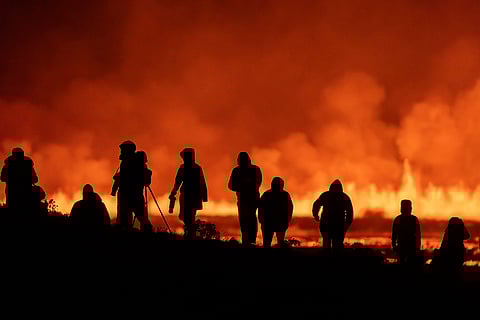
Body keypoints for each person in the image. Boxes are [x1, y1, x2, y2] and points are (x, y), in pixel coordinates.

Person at [169, 148, 208, 240]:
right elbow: (202, 183)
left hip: (188, 196)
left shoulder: (184, 168)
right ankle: (190, 234)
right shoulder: (197, 168)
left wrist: (173, 192)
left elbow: (177, 182)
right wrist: (204, 197)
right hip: (194, 196)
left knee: (186, 216)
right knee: (189, 216)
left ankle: (189, 235)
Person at [228, 152, 262, 247]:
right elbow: (230, 185)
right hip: (249, 199)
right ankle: (250, 242)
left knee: (245, 220)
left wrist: (241, 187)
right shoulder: (255, 169)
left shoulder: (237, 170)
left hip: (247, 199)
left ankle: (248, 241)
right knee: (249, 219)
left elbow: (230, 185)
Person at [312, 179, 353, 249]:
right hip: (339, 225)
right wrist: (346, 226)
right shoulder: (345, 197)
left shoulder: (325, 195)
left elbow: (316, 204)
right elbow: (350, 213)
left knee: (326, 244)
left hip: (326, 224)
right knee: (337, 246)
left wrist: (315, 215)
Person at [258, 177, 293, 248]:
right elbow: (290, 208)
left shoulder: (267, 194)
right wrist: (287, 220)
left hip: (274, 223)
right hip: (272, 223)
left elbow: (260, 208)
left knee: (270, 243)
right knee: (273, 243)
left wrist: (261, 220)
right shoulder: (284, 195)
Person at [1, 147, 39, 214]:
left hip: (15, 192)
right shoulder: (27, 165)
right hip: (20, 192)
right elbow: (35, 179)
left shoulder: (8, 165)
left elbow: (3, 178)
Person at [391, 199, 421, 265]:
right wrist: (394, 246)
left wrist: (394, 246)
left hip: (410, 247)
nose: (410, 209)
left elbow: (418, 235)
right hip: (403, 247)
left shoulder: (398, 219)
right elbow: (394, 235)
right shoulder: (399, 220)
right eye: (409, 207)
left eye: (410, 207)